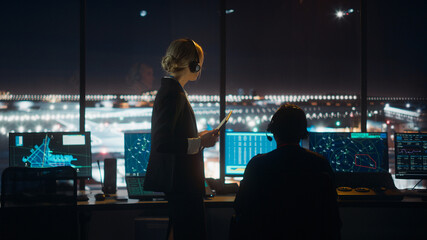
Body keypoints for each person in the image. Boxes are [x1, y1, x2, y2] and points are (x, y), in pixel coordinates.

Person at [144, 38, 219, 240]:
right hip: (182, 185)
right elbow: (162, 142)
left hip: (181, 184)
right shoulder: (173, 94)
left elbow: (174, 136)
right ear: (193, 64)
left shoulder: (175, 91)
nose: (201, 68)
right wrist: (200, 142)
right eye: (200, 63)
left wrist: (198, 138)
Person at [232, 104, 341, 240]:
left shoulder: (257, 165)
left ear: (273, 132)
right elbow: (332, 216)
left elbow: (240, 207)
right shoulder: (320, 164)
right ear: (302, 133)